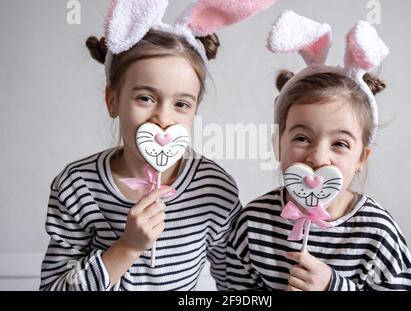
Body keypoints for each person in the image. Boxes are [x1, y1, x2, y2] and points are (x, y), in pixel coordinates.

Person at [39, 0, 274, 291]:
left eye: (181, 104)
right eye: (145, 98)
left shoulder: (213, 189)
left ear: (194, 111)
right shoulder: (76, 186)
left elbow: (236, 284)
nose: (163, 118)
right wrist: (127, 247)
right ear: (112, 101)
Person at [225, 11, 411, 291]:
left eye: (339, 144)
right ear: (279, 146)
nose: (317, 157)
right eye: (302, 138)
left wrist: (333, 286)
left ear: (361, 158)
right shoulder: (253, 225)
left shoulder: (378, 233)